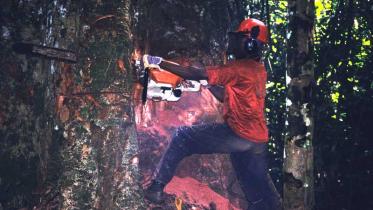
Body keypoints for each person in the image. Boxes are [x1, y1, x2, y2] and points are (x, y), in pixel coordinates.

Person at [142, 18, 282, 210]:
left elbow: (193, 73)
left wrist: (159, 62)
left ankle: (156, 188)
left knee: (182, 136)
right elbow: (227, 95)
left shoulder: (239, 68)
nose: (233, 43)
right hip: (257, 141)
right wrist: (206, 84)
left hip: (238, 135)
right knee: (256, 194)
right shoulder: (257, 70)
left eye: (239, 39)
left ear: (249, 44)